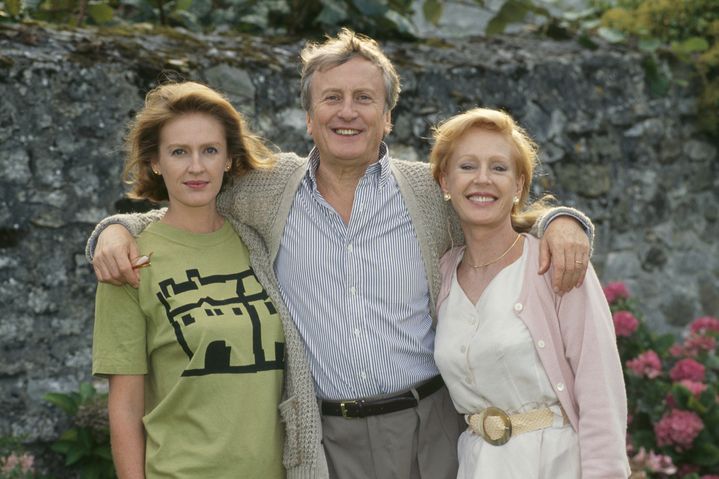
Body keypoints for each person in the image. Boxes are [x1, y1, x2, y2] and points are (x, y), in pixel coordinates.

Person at [87, 30, 594, 479]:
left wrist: (563, 221)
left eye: (363, 98)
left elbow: (501, 214)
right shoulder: (266, 191)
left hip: (431, 426)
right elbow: (188, 202)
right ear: (309, 117)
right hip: (327, 437)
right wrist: (114, 230)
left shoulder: (428, 191)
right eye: (331, 97)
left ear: (388, 117)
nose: (347, 111)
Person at [91, 81, 321, 478]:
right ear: (156, 162)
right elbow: (125, 408)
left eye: (209, 150)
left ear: (229, 159)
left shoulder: (259, 244)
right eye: (179, 152)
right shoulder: (130, 260)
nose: (196, 167)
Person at [430, 108, 629, 478]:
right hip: (478, 466)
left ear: (519, 185)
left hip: (555, 465)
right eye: (468, 166)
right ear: (444, 181)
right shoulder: (442, 274)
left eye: (499, 168)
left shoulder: (555, 262)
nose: (483, 179)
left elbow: (600, 391)